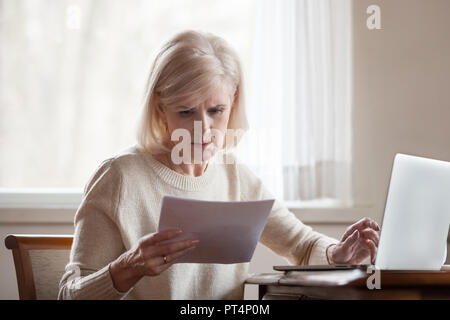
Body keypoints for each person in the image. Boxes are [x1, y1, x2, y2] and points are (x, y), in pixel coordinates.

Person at [58, 30, 380, 300]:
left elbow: (303, 245)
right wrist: (130, 265)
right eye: (186, 112)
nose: (203, 128)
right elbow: (69, 294)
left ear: (233, 102)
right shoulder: (120, 177)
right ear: (160, 107)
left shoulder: (234, 176)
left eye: (216, 111)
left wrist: (336, 254)